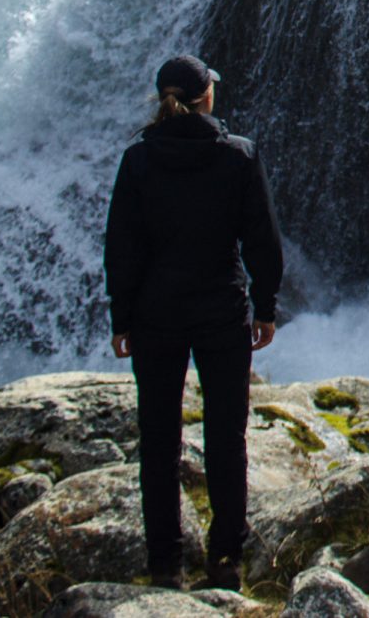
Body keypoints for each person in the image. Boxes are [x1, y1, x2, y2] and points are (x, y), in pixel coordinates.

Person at [105, 54, 283, 592]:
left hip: (156, 315)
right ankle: (226, 559)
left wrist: (122, 315)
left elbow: (122, 246)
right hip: (221, 313)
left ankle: (165, 565)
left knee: (158, 440)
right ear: (207, 97)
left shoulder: (138, 161)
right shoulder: (237, 156)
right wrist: (266, 305)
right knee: (226, 437)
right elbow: (262, 239)